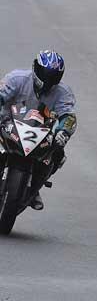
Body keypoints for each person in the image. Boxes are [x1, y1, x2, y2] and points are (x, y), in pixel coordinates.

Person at [0, 51, 77, 210]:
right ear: (36, 68)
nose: (49, 80)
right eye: (46, 74)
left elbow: (68, 116)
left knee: (58, 153)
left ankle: (34, 187)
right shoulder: (16, 79)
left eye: (54, 76)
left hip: (39, 132)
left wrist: (63, 132)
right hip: (7, 123)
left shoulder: (63, 92)